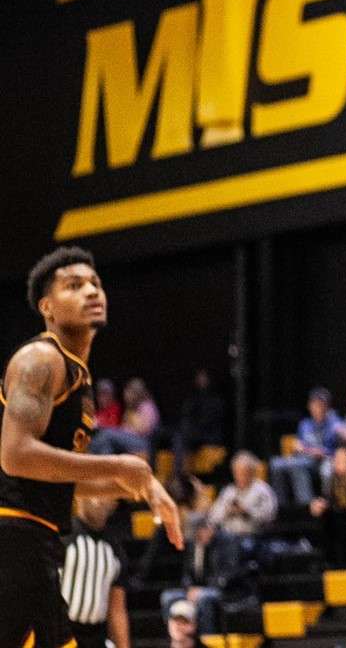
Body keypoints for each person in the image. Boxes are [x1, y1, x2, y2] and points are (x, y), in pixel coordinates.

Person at [1, 247, 181, 648]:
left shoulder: (77, 378)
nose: (91, 291)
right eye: (74, 285)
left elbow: (61, 477)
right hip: (12, 536)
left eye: (95, 283)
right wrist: (116, 466)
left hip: (36, 541)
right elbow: (15, 455)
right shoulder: (40, 359)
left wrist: (140, 485)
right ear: (47, 307)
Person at [198, 450, 277, 583]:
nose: (240, 476)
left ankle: (229, 582)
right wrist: (227, 512)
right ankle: (204, 580)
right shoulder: (229, 491)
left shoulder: (262, 490)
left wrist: (246, 512)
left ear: (252, 472)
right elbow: (214, 516)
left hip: (252, 537)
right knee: (205, 537)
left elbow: (269, 515)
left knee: (233, 543)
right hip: (226, 535)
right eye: (237, 472)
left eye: (244, 473)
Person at [61, 494, 129, 648]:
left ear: (114, 503)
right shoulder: (61, 536)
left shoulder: (115, 550)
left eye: (104, 494)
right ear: (78, 497)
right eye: (92, 493)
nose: (99, 500)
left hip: (96, 636)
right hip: (61, 633)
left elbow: (117, 609)